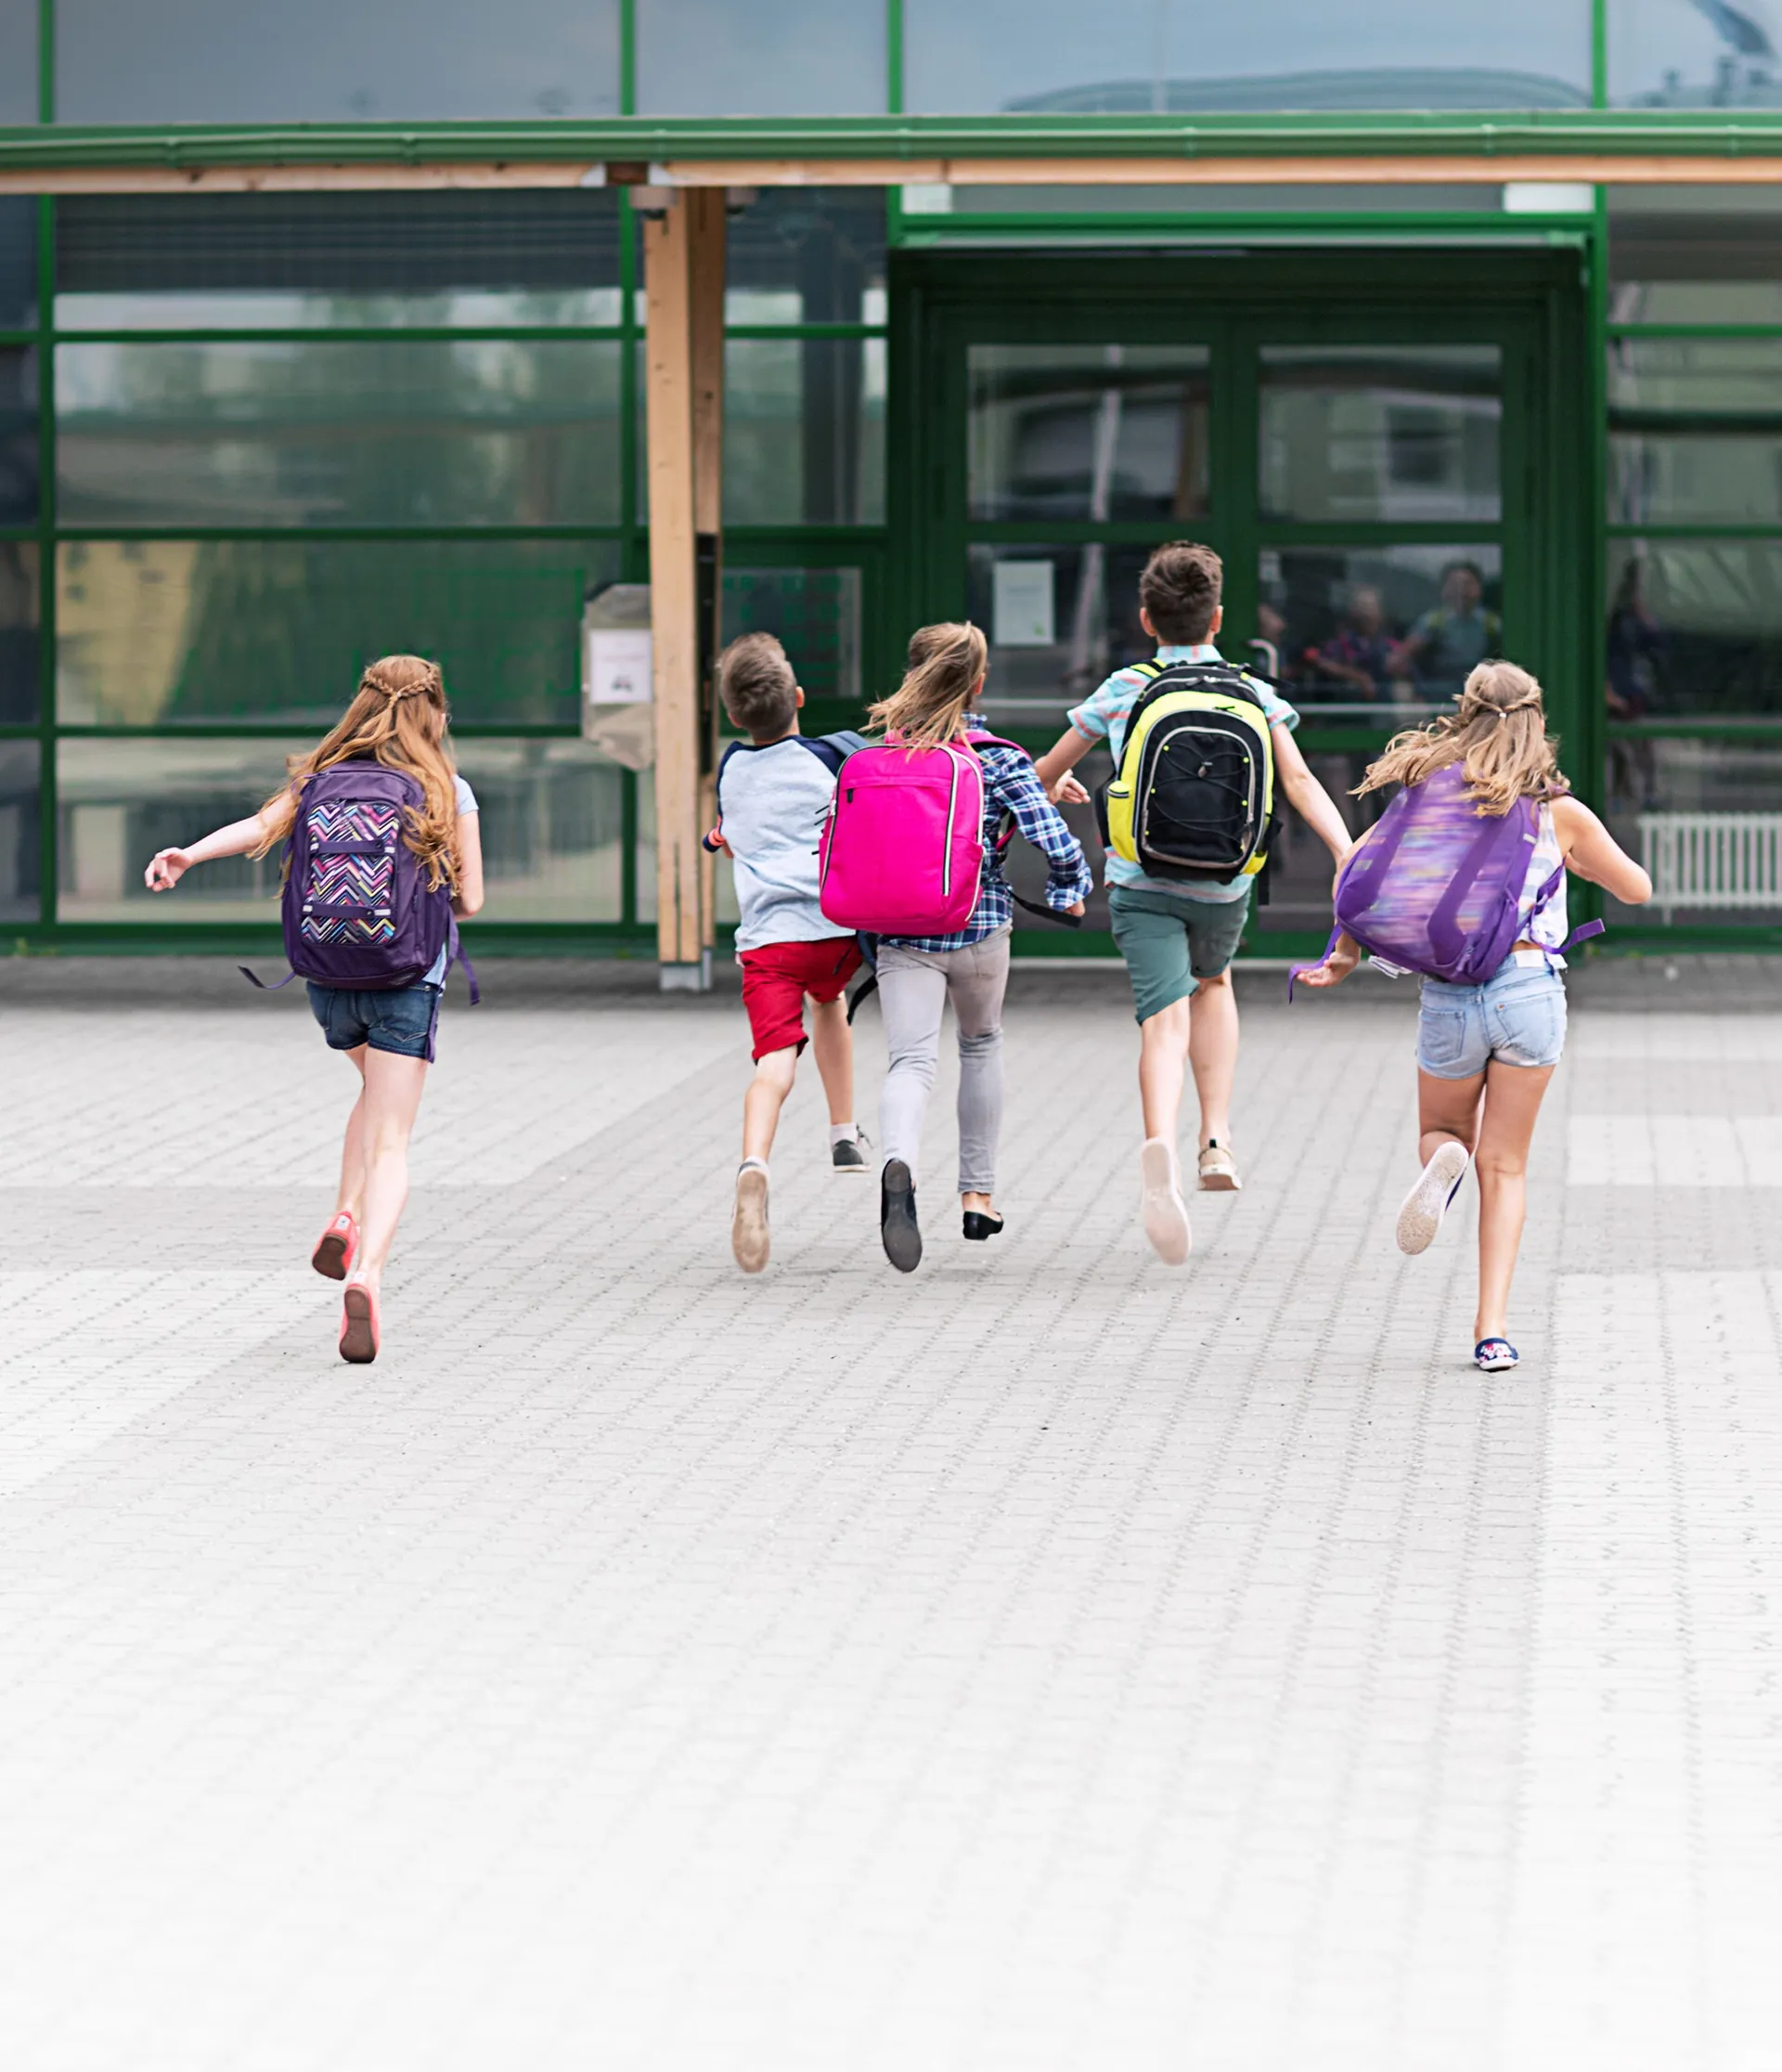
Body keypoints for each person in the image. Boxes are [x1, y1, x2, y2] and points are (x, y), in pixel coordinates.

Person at [1298, 661, 1653, 1372]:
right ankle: (1492, 1331)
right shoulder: (1559, 812)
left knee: (1441, 1132)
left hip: (1451, 995)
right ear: (1536, 722)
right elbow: (1637, 890)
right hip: (1529, 994)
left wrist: (1343, 956)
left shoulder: (1428, 793)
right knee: (1507, 1166)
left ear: (1464, 714)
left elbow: (1355, 872)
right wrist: (1575, 862)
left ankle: (1443, 1164)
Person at [143, 654, 484, 1365]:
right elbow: (472, 900)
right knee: (391, 1140)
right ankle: (367, 1273)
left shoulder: (320, 778)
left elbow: (258, 826)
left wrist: (187, 857)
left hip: (328, 980)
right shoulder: (445, 787)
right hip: (406, 979)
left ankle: (343, 1215)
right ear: (435, 713)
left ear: (361, 706)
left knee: (370, 1093)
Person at [1034, 540, 1352, 1262]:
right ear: (1218, 619)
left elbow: (1046, 769)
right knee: (1214, 984)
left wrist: (1051, 787)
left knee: (1161, 1021)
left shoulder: (1124, 688)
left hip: (1141, 881)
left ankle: (1159, 1144)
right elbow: (1299, 781)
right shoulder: (1255, 693)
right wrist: (1343, 850)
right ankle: (1216, 1138)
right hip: (1225, 882)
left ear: (1147, 619)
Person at [871, 621, 1091, 1273]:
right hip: (978, 929)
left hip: (902, 935)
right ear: (979, 684)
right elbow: (1056, 843)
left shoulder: (878, 757)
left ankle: (899, 1160)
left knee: (911, 1062)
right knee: (980, 1044)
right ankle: (977, 1196)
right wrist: (1070, 892)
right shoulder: (998, 758)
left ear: (911, 675)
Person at [704, 632, 869, 1276]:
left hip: (768, 945)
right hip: (834, 933)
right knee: (830, 1003)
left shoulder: (731, 769)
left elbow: (730, 835)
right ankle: (844, 1132)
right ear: (798, 698)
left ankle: (754, 1163)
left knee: (773, 1066)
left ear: (732, 715)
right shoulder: (829, 760)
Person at [1391, 561, 1502, 699]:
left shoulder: (1491, 623)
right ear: (1445, 591)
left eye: (1467, 584)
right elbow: (1400, 658)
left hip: (1480, 689)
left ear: (1479, 589)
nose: (1461, 591)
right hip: (1440, 689)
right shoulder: (1433, 622)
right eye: (1455, 585)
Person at [1312, 585, 1398, 703]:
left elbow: (1411, 677)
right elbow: (1321, 662)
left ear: (1380, 612)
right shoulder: (1340, 644)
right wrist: (1357, 676)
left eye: (1371, 608)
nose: (1366, 614)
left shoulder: (1390, 646)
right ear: (1352, 612)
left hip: (1382, 707)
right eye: (1362, 608)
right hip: (1347, 706)